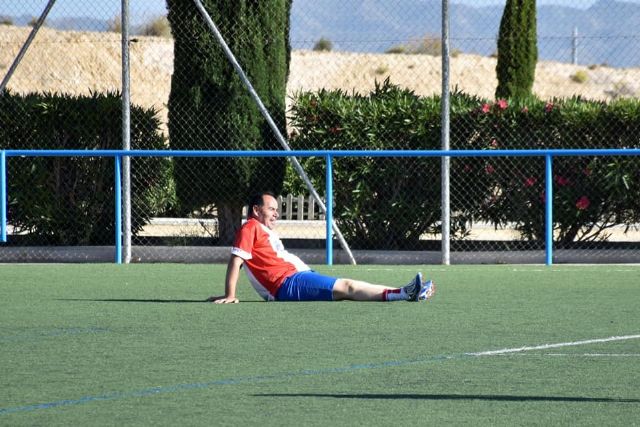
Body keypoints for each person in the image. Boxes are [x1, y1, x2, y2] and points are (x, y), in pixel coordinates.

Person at [208, 191, 436, 303]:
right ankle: (405, 293)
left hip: (295, 279)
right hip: (287, 284)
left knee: (347, 287)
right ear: (256, 210)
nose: (276, 213)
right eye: (271, 209)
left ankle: (408, 291)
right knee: (347, 287)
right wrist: (230, 294)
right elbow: (236, 260)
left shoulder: (261, 230)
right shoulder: (250, 227)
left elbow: (243, 262)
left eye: (277, 209)